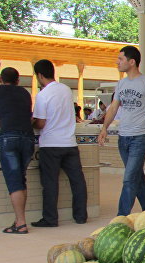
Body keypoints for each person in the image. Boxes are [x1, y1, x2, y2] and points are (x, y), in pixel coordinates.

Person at [98, 46, 145, 216]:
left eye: (120, 59)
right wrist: (104, 128)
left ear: (131, 62)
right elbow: (113, 108)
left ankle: (121, 217)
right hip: (123, 138)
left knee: (128, 179)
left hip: (139, 138)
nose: (117, 62)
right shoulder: (121, 83)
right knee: (136, 177)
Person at [31, 59, 88, 227]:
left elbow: (41, 123)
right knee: (77, 181)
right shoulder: (66, 90)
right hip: (69, 143)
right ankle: (80, 216)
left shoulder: (43, 95)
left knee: (50, 183)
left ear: (40, 75)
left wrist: (31, 122)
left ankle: (50, 218)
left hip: (50, 144)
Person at [0, 67, 35, 234]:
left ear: (1, 80)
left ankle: (20, 223)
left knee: (14, 182)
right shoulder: (25, 93)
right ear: (18, 80)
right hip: (28, 138)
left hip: (9, 137)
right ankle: (19, 220)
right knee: (21, 179)